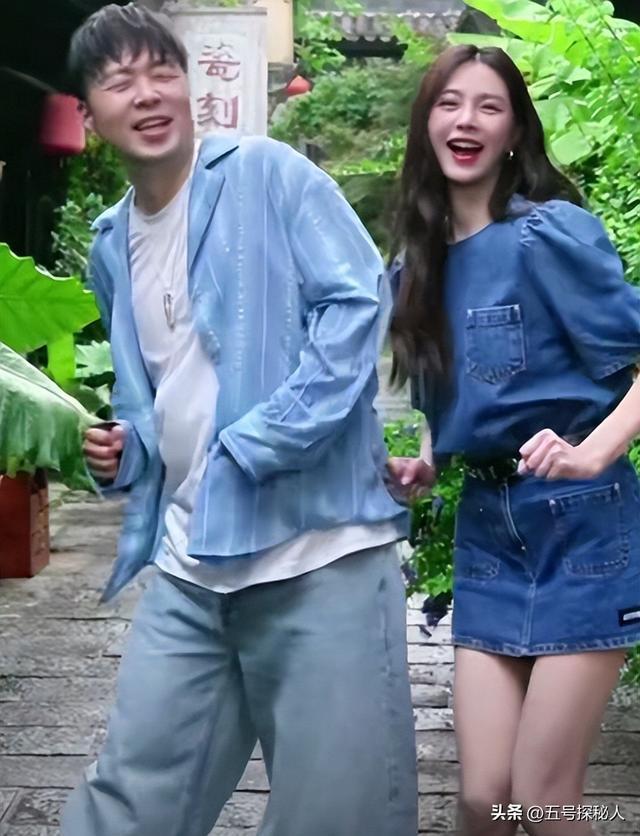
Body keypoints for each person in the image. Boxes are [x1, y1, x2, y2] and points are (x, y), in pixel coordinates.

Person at [60, 5, 418, 835]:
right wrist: (126, 450)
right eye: (120, 82)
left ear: (189, 88)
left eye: (163, 72)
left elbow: (358, 300)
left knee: (334, 815)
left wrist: (265, 438)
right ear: (87, 115)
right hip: (192, 565)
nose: (148, 95)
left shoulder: (266, 173)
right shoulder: (111, 242)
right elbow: (159, 390)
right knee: (129, 805)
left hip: (318, 552)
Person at [387, 44, 640, 836]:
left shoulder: (548, 237)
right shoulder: (415, 267)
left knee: (544, 796)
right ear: (426, 124)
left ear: (514, 132)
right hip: (488, 534)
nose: (467, 120)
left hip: (584, 527)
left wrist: (594, 450)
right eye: (449, 103)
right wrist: (428, 460)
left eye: (488, 106)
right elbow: (453, 394)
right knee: (483, 799)